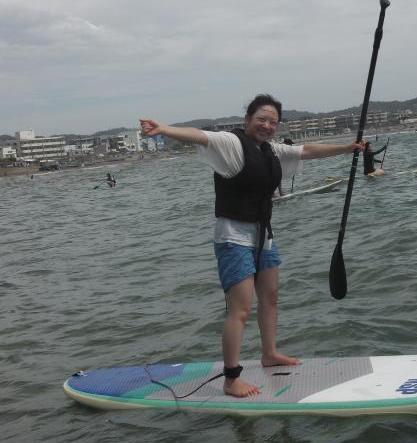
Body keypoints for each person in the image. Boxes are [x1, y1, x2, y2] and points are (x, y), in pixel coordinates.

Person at [139, 94, 364, 398]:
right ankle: (231, 379)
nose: (267, 125)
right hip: (233, 237)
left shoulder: (272, 151)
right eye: (261, 119)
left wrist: (347, 148)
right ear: (247, 119)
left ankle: (269, 353)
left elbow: (307, 150)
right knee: (241, 310)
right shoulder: (231, 144)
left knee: (270, 298)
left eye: (273, 122)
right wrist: (164, 129)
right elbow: (200, 136)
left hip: (263, 236)